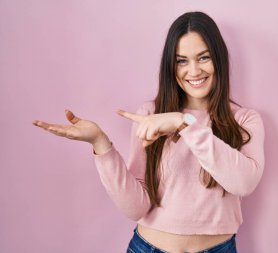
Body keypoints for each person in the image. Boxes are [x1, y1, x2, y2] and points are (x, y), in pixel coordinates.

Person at [32, 11, 265, 253]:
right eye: (182, 61)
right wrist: (100, 144)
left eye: (203, 57)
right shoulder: (150, 115)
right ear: (170, 66)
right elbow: (135, 208)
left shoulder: (245, 119)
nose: (193, 71)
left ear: (219, 59)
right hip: (148, 247)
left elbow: (243, 183)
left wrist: (183, 124)